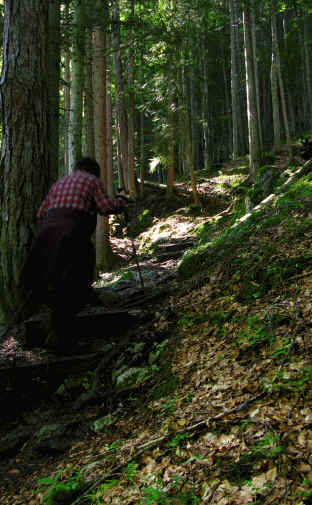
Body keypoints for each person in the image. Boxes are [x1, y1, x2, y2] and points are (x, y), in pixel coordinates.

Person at [20, 157, 127, 353]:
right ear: (94, 171)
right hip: (72, 236)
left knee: (55, 283)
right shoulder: (92, 181)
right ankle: (64, 340)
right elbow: (105, 207)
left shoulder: (60, 183)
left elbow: (40, 212)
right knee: (76, 282)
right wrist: (120, 202)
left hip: (47, 237)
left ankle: (57, 330)